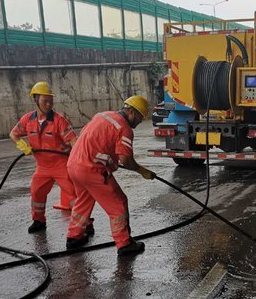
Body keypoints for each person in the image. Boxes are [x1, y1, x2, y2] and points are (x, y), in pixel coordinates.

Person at [65, 95, 155, 256]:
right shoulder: (124, 128)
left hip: (73, 165)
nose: (141, 121)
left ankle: (74, 238)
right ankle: (124, 243)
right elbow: (126, 159)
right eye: (141, 117)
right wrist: (142, 171)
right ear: (132, 112)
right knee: (118, 203)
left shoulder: (102, 115)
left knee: (84, 200)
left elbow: (92, 140)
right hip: (91, 169)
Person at [10, 81, 93, 236]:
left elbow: (74, 141)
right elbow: (13, 134)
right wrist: (22, 145)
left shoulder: (59, 121)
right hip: (42, 167)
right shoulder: (28, 119)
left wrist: (79, 154)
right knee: (36, 193)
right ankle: (39, 221)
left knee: (73, 196)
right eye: (44, 101)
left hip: (61, 165)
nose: (48, 104)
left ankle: (86, 224)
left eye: (50, 101)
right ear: (35, 100)